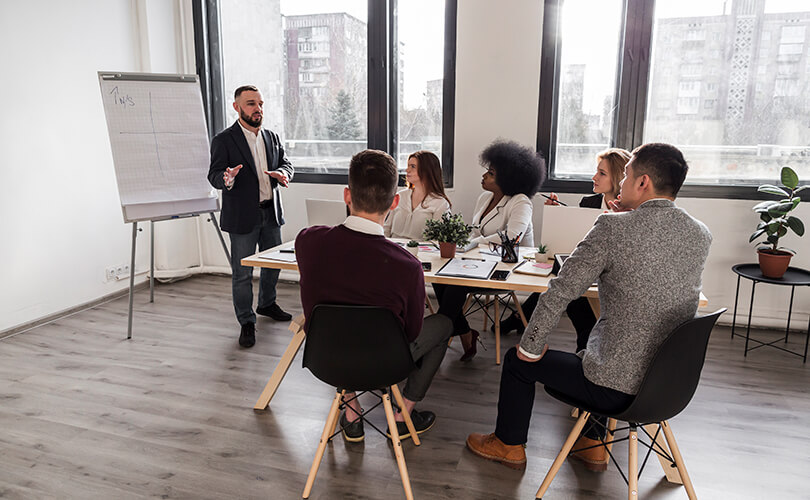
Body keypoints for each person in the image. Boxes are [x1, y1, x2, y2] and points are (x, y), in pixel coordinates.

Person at [465, 143, 711, 471]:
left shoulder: (612, 228)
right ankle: (592, 444)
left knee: (517, 361)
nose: (622, 183)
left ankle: (508, 445)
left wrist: (530, 347)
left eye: (627, 176)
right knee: (601, 349)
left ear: (643, 182)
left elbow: (561, 290)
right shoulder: (700, 233)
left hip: (613, 389)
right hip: (670, 387)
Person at [295, 149, 454, 443]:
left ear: (347, 195)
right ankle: (402, 415)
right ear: (394, 202)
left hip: (325, 359)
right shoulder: (407, 266)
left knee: (338, 328)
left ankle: (351, 411)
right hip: (386, 364)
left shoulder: (307, 241)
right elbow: (412, 331)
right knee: (444, 324)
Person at [499, 148, 632, 344]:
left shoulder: (633, 211)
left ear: (618, 178)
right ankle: (581, 340)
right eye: (596, 171)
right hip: (585, 269)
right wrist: (557, 215)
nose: (594, 177)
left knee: (567, 286)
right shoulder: (588, 202)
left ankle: (522, 318)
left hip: (611, 274)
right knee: (561, 278)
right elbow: (575, 240)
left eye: (602, 173)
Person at [433, 140, 546, 361]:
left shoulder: (521, 202)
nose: (484, 176)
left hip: (508, 268)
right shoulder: (484, 198)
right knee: (441, 278)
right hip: (479, 264)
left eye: (491, 173)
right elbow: (475, 232)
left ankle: (438, 337)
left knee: (455, 285)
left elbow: (512, 237)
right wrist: (463, 242)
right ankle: (461, 332)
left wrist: (475, 243)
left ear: (508, 179)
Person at [207, 85, 294, 349]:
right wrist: (227, 178)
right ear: (237, 107)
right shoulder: (224, 140)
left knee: (273, 264)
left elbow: (287, 163)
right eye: (251, 104)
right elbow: (214, 175)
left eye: (260, 103)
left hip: (270, 212)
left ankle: (267, 304)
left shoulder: (271, 136)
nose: (258, 109)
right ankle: (246, 321)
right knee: (243, 273)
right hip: (242, 217)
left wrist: (283, 173)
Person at [384, 150, 451, 240]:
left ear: (427, 171)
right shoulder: (399, 196)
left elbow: (438, 240)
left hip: (422, 249)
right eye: (408, 166)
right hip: (393, 247)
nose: (407, 170)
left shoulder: (440, 203)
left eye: (413, 166)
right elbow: (386, 230)